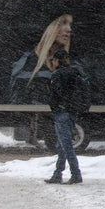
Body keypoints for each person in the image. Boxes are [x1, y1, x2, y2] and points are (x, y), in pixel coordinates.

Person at [9, 14, 73, 146]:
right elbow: (19, 83)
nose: (68, 29)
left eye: (70, 25)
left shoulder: (69, 59)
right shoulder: (31, 58)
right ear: (51, 28)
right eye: (64, 23)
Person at [45, 49, 82, 185]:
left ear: (56, 61)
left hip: (62, 113)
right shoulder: (75, 72)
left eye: (53, 60)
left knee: (66, 145)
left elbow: (58, 93)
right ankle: (57, 174)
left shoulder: (57, 74)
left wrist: (56, 105)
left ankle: (76, 174)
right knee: (61, 145)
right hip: (72, 112)